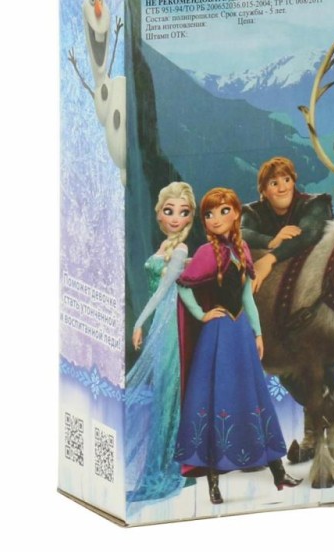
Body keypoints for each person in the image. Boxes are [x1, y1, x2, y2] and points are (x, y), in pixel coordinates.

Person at [174, 188, 300, 505]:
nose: (216, 219)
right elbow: (184, 285)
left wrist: (257, 333)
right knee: (216, 401)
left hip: (241, 333)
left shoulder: (242, 249)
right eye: (209, 214)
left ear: (236, 214)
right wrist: (201, 314)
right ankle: (214, 484)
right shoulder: (206, 252)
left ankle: (278, 473)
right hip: (217, 336)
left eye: (223, 211)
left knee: (253, 397)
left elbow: (247, 297)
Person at [124, 181, 196, 506]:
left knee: (169, 396)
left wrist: (138, 321)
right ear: (159, 215)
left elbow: (164, 289)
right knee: (163, 396)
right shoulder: (167, 245)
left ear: (189, 217)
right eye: (169, 211)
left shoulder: (180, 250)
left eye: (183, 212)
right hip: (162, 325)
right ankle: (167, 466)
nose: (176, 218)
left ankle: (168, 469)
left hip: (171, 327)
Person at [241, 157, 333, 290]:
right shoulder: (253, 211)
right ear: (264, 191)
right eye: (274, 183)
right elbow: (239, 232)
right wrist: (271, 241)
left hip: (318, 283)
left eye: (287, 180)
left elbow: (309, 233)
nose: (282, 188)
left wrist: (269, 259)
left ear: (293, 182)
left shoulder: (316, 204)